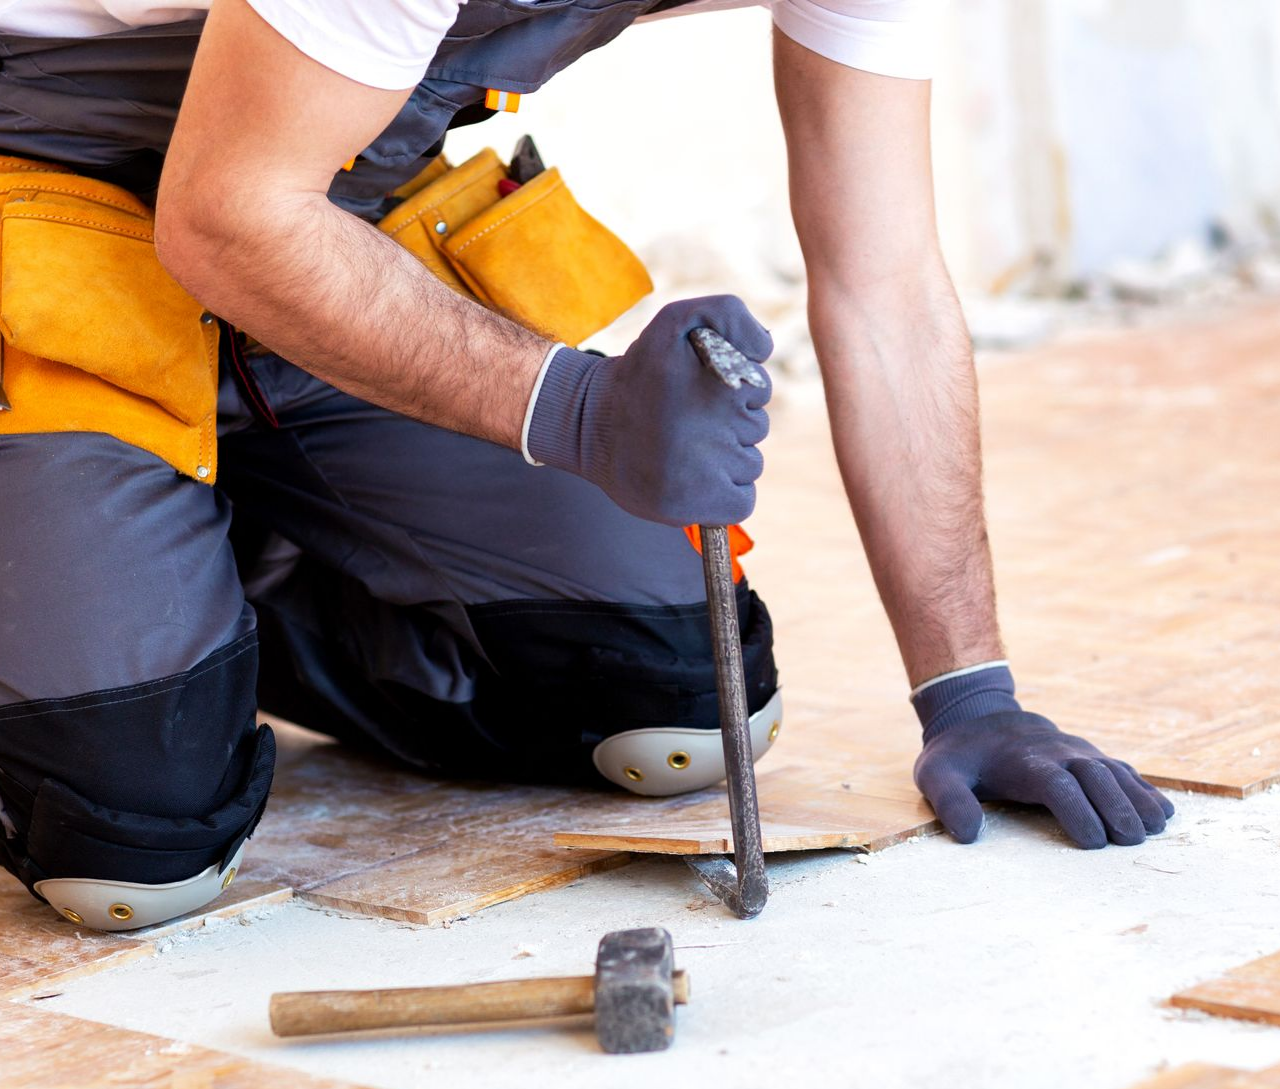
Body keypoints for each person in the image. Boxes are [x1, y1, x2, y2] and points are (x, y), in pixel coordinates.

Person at [0, 0, 1173, 933]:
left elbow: (887, 286)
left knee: (675, 707)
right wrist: (581, 409)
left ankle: (206, 566)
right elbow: (226, 219)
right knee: (133, 853)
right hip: (49, 234)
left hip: (319, 247)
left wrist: (967, 690)